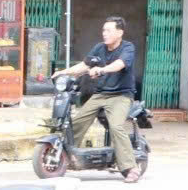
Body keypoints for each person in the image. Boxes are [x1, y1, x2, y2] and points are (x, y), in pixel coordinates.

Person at [60, 17, 141, 180]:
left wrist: (101, 70)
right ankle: (65, 157)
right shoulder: (99, 48)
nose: (104, 33)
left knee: (116, 126)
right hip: (100, 94)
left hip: (121, 95)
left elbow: (119, 64)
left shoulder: (127, 47)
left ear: (119, 33)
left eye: (109, 30)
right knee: (76, 122)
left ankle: (130, 167)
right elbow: (84, 65)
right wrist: (63, 72)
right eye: (104, 30)